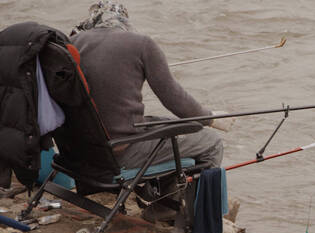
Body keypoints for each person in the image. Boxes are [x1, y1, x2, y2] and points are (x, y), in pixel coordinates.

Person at [69, 1, 232, 171]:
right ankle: (192, 197)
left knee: (174, 123)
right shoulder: (142, 43)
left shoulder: (72, 43)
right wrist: (210, 118)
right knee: (210, 141)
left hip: (79, 152)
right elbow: (174, 99)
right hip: (119, 154)